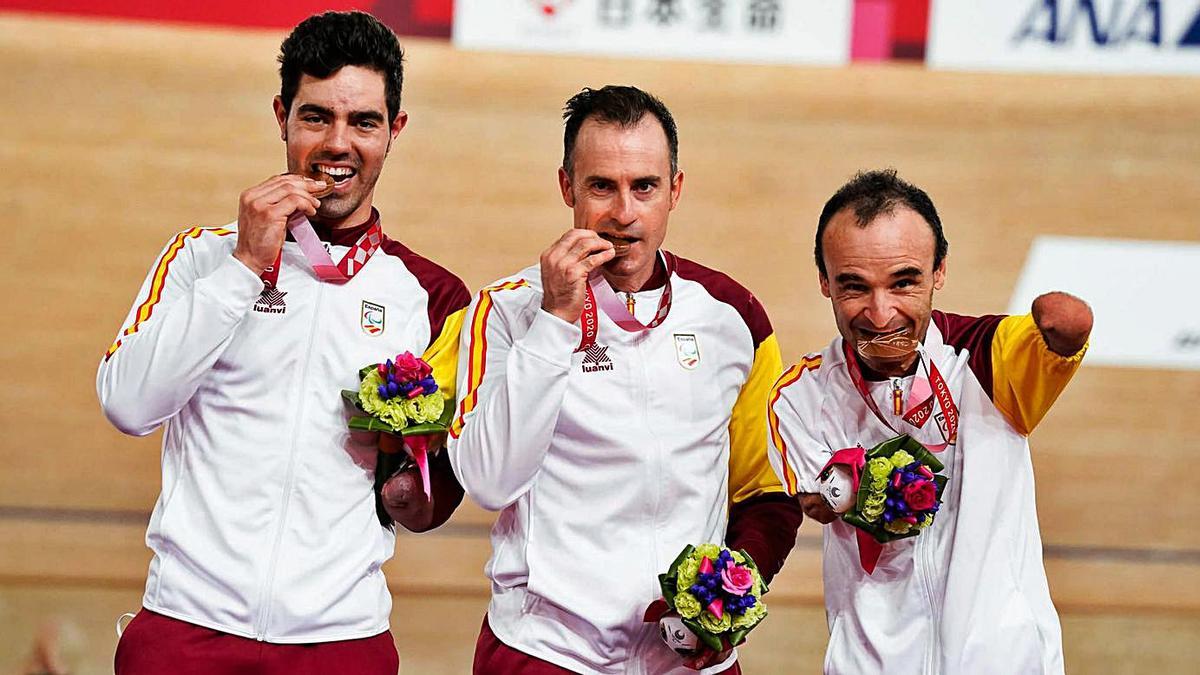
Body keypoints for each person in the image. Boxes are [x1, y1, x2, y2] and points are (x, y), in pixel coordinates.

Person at [96, 11, 470, 674]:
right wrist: (244, 264)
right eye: (316, 116)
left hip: (344, 639)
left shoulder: (433, 295)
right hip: (187, 628)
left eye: (364, 122)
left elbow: (436, 494)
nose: (338, 143)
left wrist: (406, 487)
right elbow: (128, 404)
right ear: (281, 116)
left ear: (396, 130)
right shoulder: (200, 258)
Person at [446, 85, 805, 675]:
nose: (624, 212)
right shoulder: (507, 311)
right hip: (547, 653)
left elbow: (766, 492)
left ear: (675, 190)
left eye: (644, 186)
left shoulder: (732, 316)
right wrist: (556, 322)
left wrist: (724, 600)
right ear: (567, 187)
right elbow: (490, 482)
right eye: (601, 186)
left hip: (689, 661)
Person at [767, 169, 1092, 674]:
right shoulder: (802, 395)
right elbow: (814, 502)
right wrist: (855, 483)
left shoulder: (987, 360)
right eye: (854, 286)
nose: (880, 314)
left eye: (904, 282)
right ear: (824, 282)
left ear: (939, 271)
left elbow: (1066, 328)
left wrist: (1063, 325)